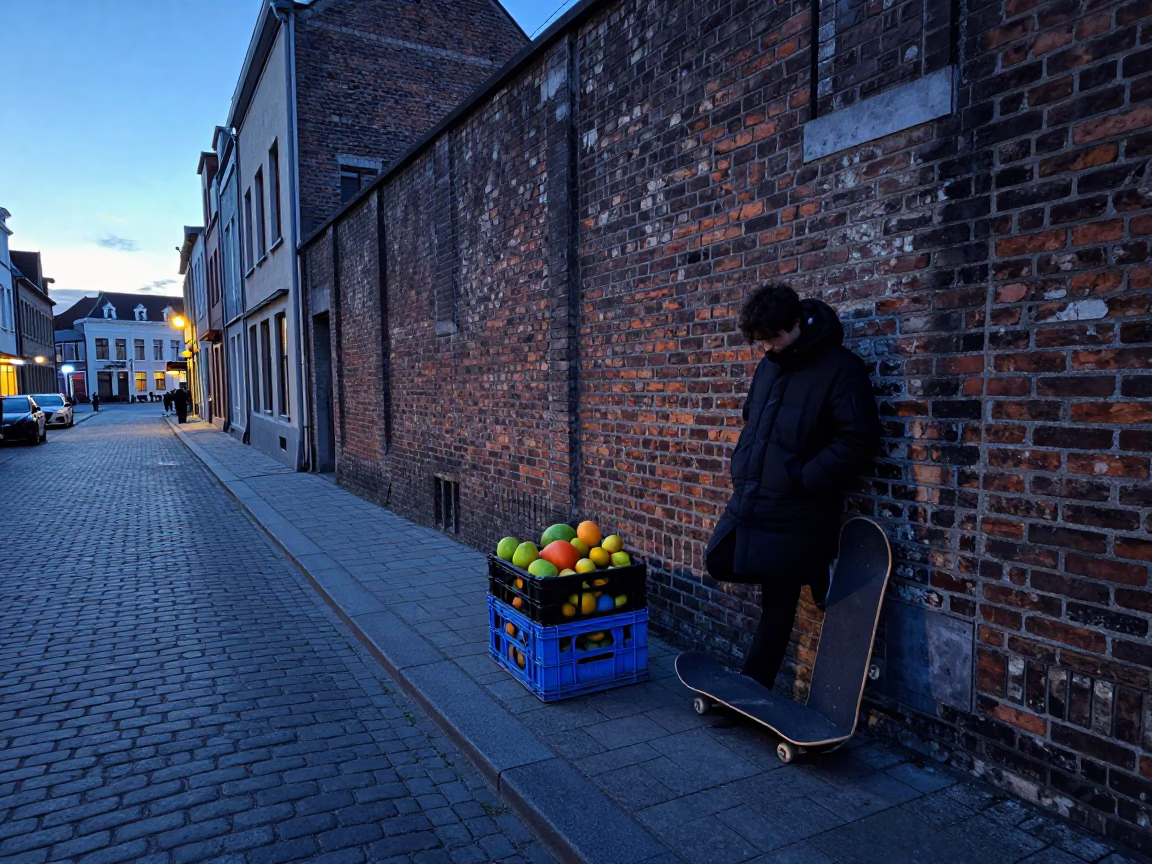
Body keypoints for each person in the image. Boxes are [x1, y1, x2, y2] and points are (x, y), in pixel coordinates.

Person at [705, 283, 882, 690]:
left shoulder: (840, 368)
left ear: (798, 323)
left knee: (778, 599)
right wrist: (743, 464)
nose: (768, 347)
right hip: (755, 495)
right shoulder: (769, 364)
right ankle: (814, 569)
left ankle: (753, 687)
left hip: (800, 503)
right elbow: (754, 417)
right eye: (761, 340)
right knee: (719, 560)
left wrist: (804, 477)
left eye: (774, 337)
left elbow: (859, 439)